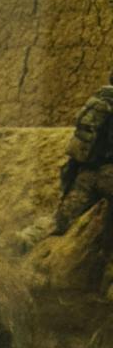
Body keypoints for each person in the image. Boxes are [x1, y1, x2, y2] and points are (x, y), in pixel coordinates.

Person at [56, 67, 113, 236]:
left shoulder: (99, 100)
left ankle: (26, 238)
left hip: (86, 173)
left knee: (61, 219)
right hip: (108, 175)